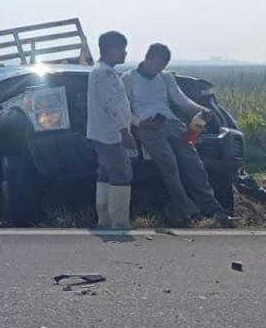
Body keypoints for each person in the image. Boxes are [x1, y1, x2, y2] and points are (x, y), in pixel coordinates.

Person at [122, 43, 234, 228]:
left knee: (193, 162)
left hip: (172, 123)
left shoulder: (166, 78)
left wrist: (201, 111)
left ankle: (212, 208)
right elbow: (125, 110)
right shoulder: (128, 78)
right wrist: (139, 123)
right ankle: (189, 211)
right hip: (147, 126)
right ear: (148, 57)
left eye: (163, 65)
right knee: (169, 164)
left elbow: (182, 102)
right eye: (158, 63)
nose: (160, 68)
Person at [86, 31, 135, 230]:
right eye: (122, 49)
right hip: (110, 135)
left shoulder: (101, 72)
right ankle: (119, 221)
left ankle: (104, 219)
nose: (125, 53)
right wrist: (124, 131)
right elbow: (111, 104)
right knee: (121, 173)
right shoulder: (104, 74)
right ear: (111, 49)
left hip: (102, 133)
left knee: (105, 174)